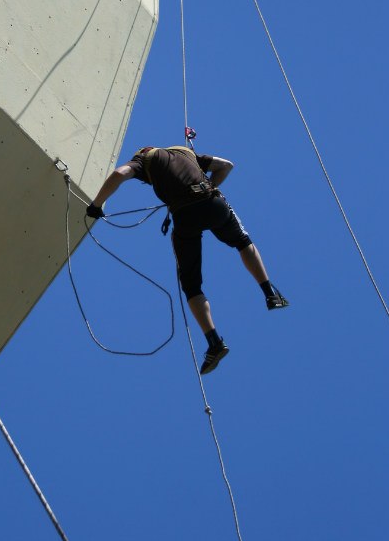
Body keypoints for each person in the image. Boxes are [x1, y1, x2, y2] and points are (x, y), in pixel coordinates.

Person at [86, 145, 288, 375]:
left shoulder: (143, 161)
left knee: (191, 286)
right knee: (242, 242)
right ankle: (270, 294)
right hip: (213, 203)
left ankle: (214, 342)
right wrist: (207, 188)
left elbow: (118, 174)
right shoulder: (187, 153)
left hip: (185, 216)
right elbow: (226, 166)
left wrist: (96, 205)